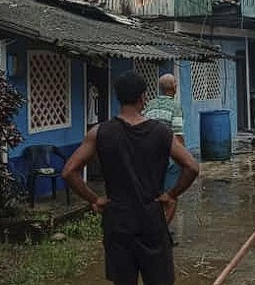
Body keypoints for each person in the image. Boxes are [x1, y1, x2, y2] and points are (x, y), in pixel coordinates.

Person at [62, 70, 200, 285]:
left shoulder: (100, 132)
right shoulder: (162, 133)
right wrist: (171, 194)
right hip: (152, 220)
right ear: (142, 98)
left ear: (118, 97)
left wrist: (94, 199)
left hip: (118, 220)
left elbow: (69, 171)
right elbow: (191, 166)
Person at [143, 73, 186, 192]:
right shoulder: (175, 107)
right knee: (169, 192)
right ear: (174, 86)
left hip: (148, 153)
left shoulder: (150, 104)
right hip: (168, 154)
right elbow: (178, 135)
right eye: (176, 83)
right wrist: (183, 155)